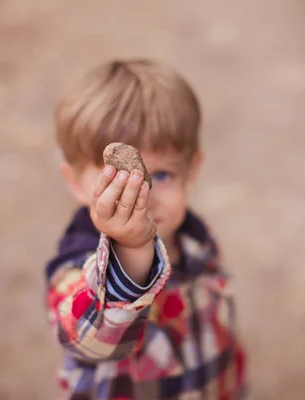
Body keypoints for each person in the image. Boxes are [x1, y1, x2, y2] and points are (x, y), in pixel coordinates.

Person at [45, 59, 247, 399]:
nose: (144, 195)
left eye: (163, 175)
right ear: (76, 182)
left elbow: (217, 320)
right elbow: (92, 342)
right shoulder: (73, 268)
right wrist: (132, 249)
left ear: (192, 171)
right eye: (118, 180)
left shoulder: (195, 238)